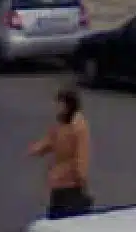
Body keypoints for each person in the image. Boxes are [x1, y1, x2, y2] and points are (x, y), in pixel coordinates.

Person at [29, 87, 93, 219]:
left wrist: (81, 178)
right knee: (56, 214)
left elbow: (81, 155)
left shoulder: (79, 127)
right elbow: (51, 139)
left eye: (60, 104)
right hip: (58, 180)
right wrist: (37, 149)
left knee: (65, 218)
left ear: (69, 105)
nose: (57, 107)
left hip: (71, 183)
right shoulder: (61, 122)